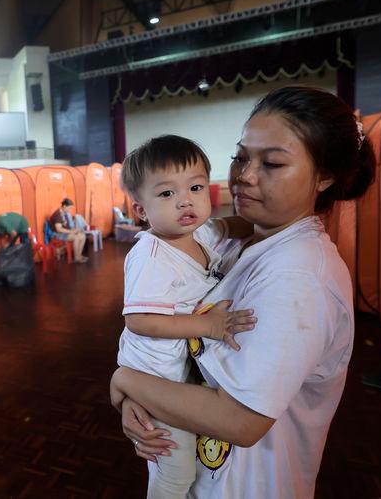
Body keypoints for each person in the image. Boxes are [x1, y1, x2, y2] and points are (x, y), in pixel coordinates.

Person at [110, 86, 376, 498]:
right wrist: (143, 404)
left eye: (271, 163)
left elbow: (241, 421)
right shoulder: (233, 240)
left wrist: (125, 379)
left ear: (324, 177)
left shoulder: (300, 276)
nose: (244, 176)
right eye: (240, 157)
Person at [117, 135, 257, 498]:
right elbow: (140, 321)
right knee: (175, 469)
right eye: (166, 194)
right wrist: (207, 325)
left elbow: (229, 226)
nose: (185, 200)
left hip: (179, 374)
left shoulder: (201, 234)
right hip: (156, 376)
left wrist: (261, 228)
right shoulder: (151, 256)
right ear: (141, 211)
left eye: (195, 187)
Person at [49, 198, 88, 263]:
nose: (70, 210)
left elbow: (68, 226)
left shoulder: (65, 213)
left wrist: (75, 230)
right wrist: (72, 232)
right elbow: (59, 229)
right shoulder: (58, 214)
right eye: (69, 208)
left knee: (82, 235)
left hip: (64, 232)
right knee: (76, 237)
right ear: (64, 206)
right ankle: (76, 258)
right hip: (57, 234)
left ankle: (79, 255)